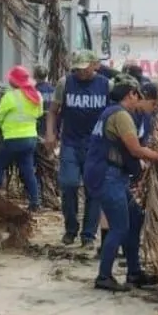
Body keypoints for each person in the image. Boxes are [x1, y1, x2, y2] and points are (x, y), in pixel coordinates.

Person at [84, 75, 158, 292]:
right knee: (119, 227)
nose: (144, 103)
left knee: (135, 217)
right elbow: (136, 150)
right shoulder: (121, 115)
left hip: (109, 175)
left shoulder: (112, 112)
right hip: (107, 176)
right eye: (139, 97)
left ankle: (134, 273)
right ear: (132, 95)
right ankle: (104, 277)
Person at [46, 50, 111, 247]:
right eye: (78, 68)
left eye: (85, 68)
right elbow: (53, 112)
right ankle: (70, 228)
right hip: (71, 143)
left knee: (93, 191)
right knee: (68, 184)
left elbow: (115, 114)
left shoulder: (106, 85)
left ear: (95, 65)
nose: (81, 72)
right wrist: (50, 133)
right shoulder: (65, 83)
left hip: (96, 146)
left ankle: (88, 235)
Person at [0, 65, 44, 212]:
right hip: (30, 139)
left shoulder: (10, 96)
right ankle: (35, 201)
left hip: (12, 139)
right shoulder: (36, 95)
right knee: (28, 170)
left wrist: (1, 126)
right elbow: (39, 114)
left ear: (14, 82)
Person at [34, 65, 55, 137]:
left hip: (38, 124)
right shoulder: (52, 89)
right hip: (50, 124)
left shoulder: (34, 90)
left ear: (35, 76)